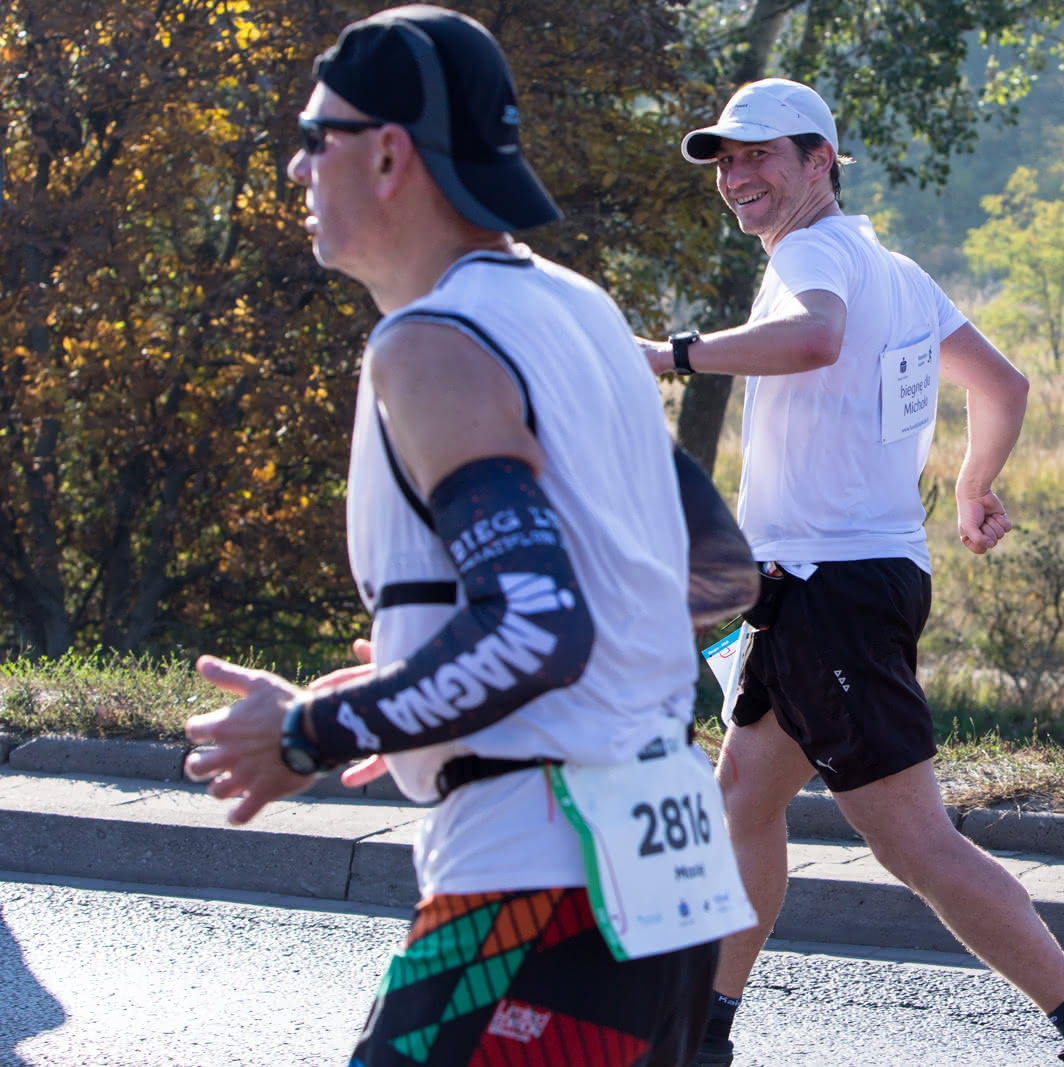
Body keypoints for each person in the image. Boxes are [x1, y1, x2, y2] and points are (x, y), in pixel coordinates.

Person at [183, 7, 757, 1066]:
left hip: (535, 884)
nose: (296, 165)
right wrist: (431, 670)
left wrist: (312, 730)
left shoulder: (431, 344)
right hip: (665, 873)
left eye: (314, 136)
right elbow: (714, 572)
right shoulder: (583, 312)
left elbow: (535, 627)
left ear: (388, 154)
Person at [638, 78, 1064, 1067]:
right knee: (741, 799)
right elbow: (1001, 384)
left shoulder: (812, 253)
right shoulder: (897, 270)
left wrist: (669, 356)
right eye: (726, 160)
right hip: (824, 584)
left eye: (760, 155)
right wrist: (973, 482)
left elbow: (817, 337)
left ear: (820, 161)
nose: (738, 176)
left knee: (912, 840)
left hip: (828, 590)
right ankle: (701, 1034)